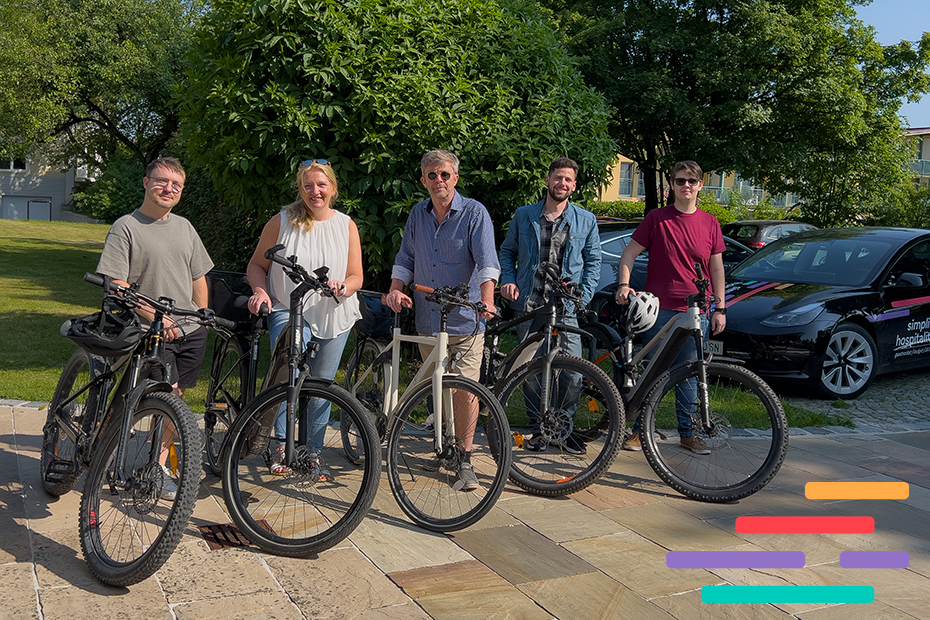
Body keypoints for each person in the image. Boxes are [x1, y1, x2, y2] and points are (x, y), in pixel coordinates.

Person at [96, 157, 214, 499]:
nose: (168, 189)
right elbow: (117, 282)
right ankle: (111, 451)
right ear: (146, 183)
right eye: (162, 182)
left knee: (175, 397)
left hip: (188, 329)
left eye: (176, 185)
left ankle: (156, 465)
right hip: (150, 327)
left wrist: (202, 313)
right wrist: (156, 318)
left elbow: (198, 277)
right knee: (153, 395)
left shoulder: (185, 227)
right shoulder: (126, 227)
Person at [383, 149, 500, 491]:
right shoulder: (417, 215)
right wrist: (394, 289)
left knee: (465, 392)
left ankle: (464, 458)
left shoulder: (474, 213)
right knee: (439, 388)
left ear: (455, 178)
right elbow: (405, 256)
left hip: (464, 317)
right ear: (423, 180)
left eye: (444, 175)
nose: (439, 181)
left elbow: (487, 261)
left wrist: (488, 300)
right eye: (431, 175)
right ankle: (446, 442)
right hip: (427, 317)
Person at [247, 160, 362, 475]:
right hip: (289, 308)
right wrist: (261, 292)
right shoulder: (282, 221)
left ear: (332, 188)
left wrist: (343, 286)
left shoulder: (346, 225)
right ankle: (283, 444)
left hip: (335, 313)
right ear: (300, 189)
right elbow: (256, 265)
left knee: (321, 386)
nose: (315, 191)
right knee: (289, 377)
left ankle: (312, 451)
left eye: (321, 185)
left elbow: (356, 276)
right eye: (308, 185)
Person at [615, 160, 726, 454]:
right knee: (652, 372)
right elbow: (628, 253)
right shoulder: (657, 218)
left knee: (689, 374)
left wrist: (720, 307)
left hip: (694, 311)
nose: (685, 186)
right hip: (659, 309)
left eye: (691, 181)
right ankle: (638, 430)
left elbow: (717, 268)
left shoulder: (710, 222)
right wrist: (624, 285)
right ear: (671, 186)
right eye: (679, 181)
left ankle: (687, 433)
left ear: (701, 185)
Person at [499, 157, 601, 454]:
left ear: (574, 186)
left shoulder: (586, 220)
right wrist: (509, 279)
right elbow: (507, 251)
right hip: (530, 304)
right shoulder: (524, 215)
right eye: (558, 178)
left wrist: (584, 293)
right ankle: (539, 429)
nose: (562, 183)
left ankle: (563, 428)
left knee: (574, 371)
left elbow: (594, 262)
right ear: (547, 180)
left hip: (566, 306)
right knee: (530, 371)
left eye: (568, 179)